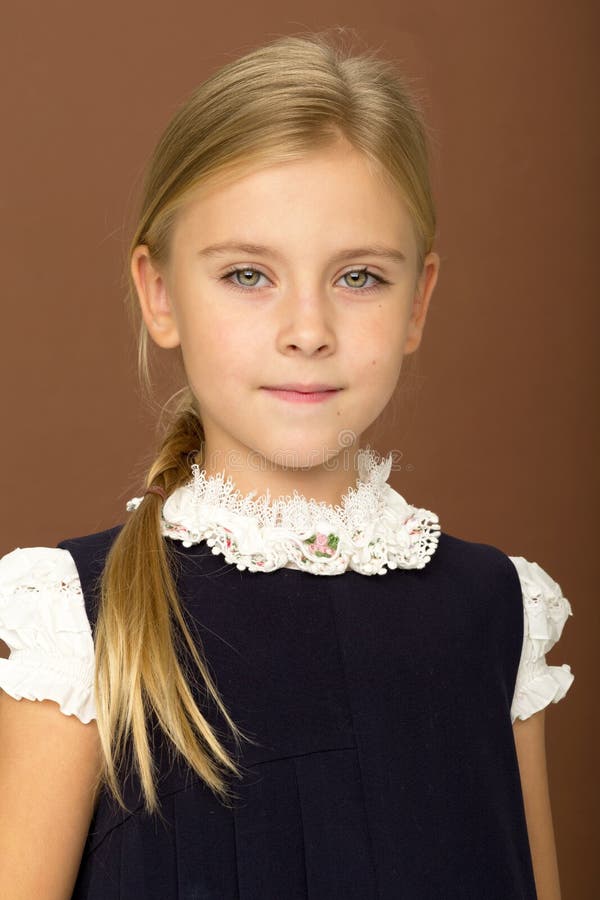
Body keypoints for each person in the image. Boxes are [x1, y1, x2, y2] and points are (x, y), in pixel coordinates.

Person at [0, 29, 575, 900]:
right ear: (160, 295)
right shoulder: (74, 624)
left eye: (359, 278)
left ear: (419, 301)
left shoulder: (500, 613)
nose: (307, 329)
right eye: (246, 275)